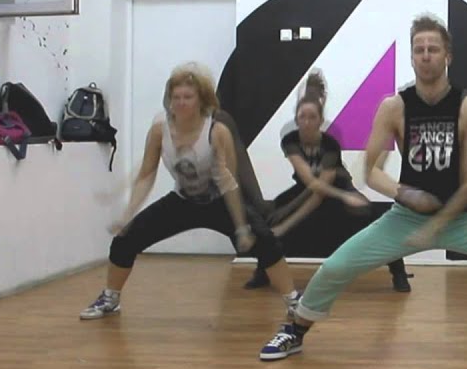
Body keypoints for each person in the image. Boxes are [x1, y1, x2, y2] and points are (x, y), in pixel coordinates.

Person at [258, 14, 467, 367]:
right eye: (419, 49)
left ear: (447, 55)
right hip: (406, 218)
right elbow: (371, 170)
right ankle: (295, 330)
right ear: (411, 57)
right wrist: (404, 193)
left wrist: (438, 223)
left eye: (433, 49)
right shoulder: (394, 107)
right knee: (335, 267)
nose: (425, 55)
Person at [81, 63, 302, 319]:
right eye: (176, 97)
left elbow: (229, 181)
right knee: (125, 240)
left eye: (188, 97)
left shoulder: (217, 131)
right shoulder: (160, 130)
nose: (181, 103)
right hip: (182, 200)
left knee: (265, 241)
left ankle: (293, 300)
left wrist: (241, 226)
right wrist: (127, 214)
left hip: (219, 200)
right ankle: (110, 299)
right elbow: (146, 175)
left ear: (201, 100)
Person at [242, 71, 413, 293]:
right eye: (302, 117)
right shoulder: (290, 140)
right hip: (312, 189)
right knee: (269, 217)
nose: (306, 122)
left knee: (370, 217)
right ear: (296, 119)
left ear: (320, 121)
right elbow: (311, 184)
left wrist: (345, 196)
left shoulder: (330, 144)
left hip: (337, 187)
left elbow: (321, 191)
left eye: (312, 117)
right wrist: (284, 217)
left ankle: (398, 272)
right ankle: (263, 271)